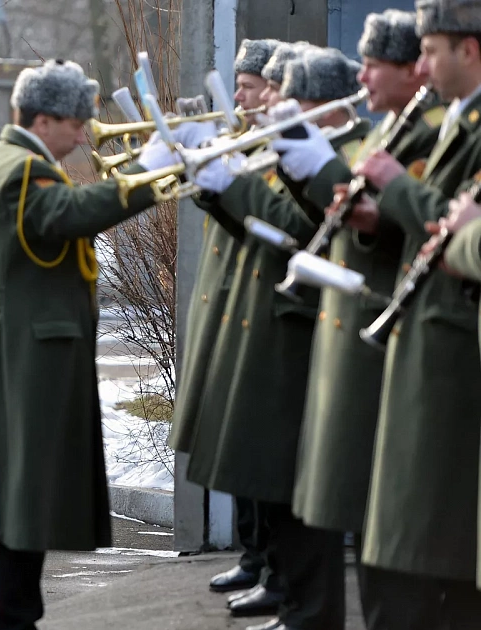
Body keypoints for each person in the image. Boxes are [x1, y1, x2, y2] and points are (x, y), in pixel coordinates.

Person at [0, 59, 183, 629]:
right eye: (77, 122)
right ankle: (10, 620)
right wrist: (151, 169)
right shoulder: (23, 169)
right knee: (21, 503)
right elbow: (71, 214)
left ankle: (12, 616)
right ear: (44, 119)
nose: (84, 134)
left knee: (20, 508)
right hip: (27, 359)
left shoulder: (16, 161)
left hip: (20, 353)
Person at [185, 47, 373, 630]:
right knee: (276, 483)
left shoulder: (347, 154)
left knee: (298, 492)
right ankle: (293, 600)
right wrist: (212, 184)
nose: (271, 106)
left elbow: (296, 230)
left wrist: (234, 184)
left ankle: (306, 606)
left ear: (325, 105)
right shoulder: (306, 151)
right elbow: (261, 221)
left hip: (307, 333)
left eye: (293, 99)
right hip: (273, 325)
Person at [270, 12, 444, 627]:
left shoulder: (428, 130)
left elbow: (430, 226)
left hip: (390, 340)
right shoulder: (398, 128)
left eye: (374, 64)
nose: (361, 73)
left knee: (393, 539)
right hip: (359, 332)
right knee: (371, 534)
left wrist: (329, 176)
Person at [345, 0, 481, 623]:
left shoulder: (458, 125)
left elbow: (449, 223)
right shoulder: (457, 121)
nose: (421, 66)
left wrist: (397, 187)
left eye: (430, 51)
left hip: (453, 349)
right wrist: (376, 217)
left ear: (469, 49)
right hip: (430, 338)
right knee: (404, 550)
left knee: (425, 555)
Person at [169, 38, 284, 613]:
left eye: (248, 84)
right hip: (228, 294)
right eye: (237, 84)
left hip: (260, 303)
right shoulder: (244, 137)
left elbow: (271, 221)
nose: (238, 94)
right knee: (231, 436)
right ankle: (253, 552)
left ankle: (267, 557)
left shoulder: (283, 145)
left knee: (254, 442)